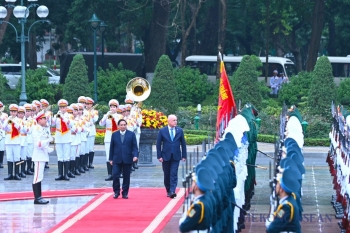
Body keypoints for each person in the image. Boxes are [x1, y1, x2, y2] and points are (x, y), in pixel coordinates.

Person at [156, 114, 187, 198]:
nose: (175, 121)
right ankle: (168, 189)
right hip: (165, 156)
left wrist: (184, 155)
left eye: (176, 120)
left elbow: (183, 144)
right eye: (174, 120)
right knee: (167, 174)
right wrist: (159, 156)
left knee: (173, 173)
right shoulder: (162, 131)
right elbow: (158, 144)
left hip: (176, 156)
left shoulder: (179, 130)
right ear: (169, 121)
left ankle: (172, 190)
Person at [109, 119, 138, 199]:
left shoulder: (131, 134)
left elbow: (134, 146)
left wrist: (135, 155)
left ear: (126, 125)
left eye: (124, 125)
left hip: (127, 158)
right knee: (115, 175)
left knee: (126, 176)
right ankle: (116, 192)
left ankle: (125, 192)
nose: (123, 126)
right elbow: (111, 147)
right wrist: (110, 158)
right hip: (116, 158)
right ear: (118, 126)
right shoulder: (114, 135)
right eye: (121, 125)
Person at [179, 167, 214, 232]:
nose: (191, 185)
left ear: (196, 187)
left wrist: (182, 221)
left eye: (193, 183)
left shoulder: (197, 206)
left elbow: (184, 226)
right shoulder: (207, 199)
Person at [31, 110, 53, 205]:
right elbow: (38, 144)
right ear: (39, 120)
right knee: (37, 177)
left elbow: (43, 144)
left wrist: (48, 148)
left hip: (43, 155)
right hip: (39, 156)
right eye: (44, 118)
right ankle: (37, 198)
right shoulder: (36, 129)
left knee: (40, 176)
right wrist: (48, 140)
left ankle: (39, 197)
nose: (46, 120)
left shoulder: (43, 129)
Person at [99, 99, 121, 181]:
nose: (112, 108)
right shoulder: (107, 115)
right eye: (111, 107)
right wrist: (106, 116)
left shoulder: (119, 116)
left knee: (116, 155)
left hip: (116, 137)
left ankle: (116, 173)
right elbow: (101, 124)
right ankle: (109, 174)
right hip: (108, 137)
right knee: (108, 156)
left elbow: (120, 124)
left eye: (114, 107)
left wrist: (114, 117)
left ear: (117, 108)